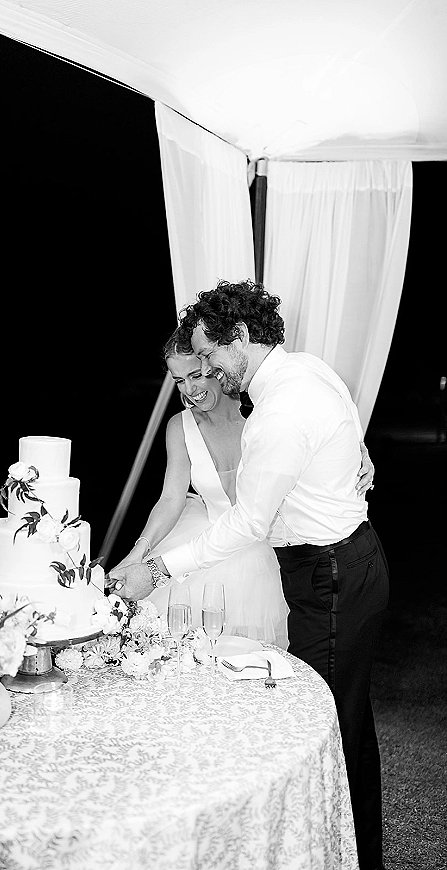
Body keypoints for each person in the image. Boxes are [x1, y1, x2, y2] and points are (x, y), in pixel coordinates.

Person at [107, 280, 388, 870]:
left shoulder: (275, 413)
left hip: (329, 574)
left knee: (322, 730)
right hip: (346, 562)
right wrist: (356, 458)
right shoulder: (309, 371)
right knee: (346, 719)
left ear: (239, 340)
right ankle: (354, 850)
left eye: (209, 354)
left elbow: (247, 525)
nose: (203, 369)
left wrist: (155, 568)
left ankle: (332, 852)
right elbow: (342, 429)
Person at [112, 327, 290, 647]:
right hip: (198, 550)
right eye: (179, 380)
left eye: (196, 375)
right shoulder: (179, 427)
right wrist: (138, 552)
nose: (190, 389)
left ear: (215, 366)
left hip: (263, 556)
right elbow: (170, 499)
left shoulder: (261, 414)